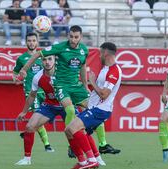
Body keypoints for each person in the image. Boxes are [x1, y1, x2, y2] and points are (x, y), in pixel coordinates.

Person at [19, 25, 120, 156]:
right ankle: (71, 145)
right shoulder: (60, 47)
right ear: (68, 36)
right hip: (61, 86)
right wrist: (25, 69)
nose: (73, 40)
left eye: (76, 37)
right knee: (71, 110)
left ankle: (103, 144)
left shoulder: (84, 50)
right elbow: (38, 53)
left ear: (81, 37)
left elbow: (83, 67)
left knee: (95, 109)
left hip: (76, 86)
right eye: (71, 36)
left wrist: (85, 86)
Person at [65, 42, 121, 169]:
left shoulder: (114, 71)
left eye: (101, 53)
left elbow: (104, 95)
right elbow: (99, 92)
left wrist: (92, 82)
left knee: (73, 129)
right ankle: (84, 161)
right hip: (94, 108)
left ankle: (91, 160)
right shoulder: (105, 68)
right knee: (69, 131)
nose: (99, 55)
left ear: (106, 53)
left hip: (100, 110)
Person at [15, 55, 63, 165]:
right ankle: (27, 159)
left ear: (55, 60)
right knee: (29, 126)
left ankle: (94, 157)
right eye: (44, 59)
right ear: (41, 61)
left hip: (66, 104)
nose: (47, 62)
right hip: (50, 105)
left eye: (50, 59)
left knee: (76, 129)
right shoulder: (37, 76)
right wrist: (24, 111)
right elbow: (32, 95)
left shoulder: (63, 72)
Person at [13, 32, 54, 153]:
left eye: (33, 40)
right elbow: (15, 73)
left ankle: (27, 132)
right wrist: (16, 79)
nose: (31, 43)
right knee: (37, 114)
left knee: (45, 116)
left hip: (45, 90)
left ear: (37, 42)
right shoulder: (21, 59)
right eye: (29, 41)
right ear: (26, 42)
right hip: (31, 91)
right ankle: (47, 145)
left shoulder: (43, 56)